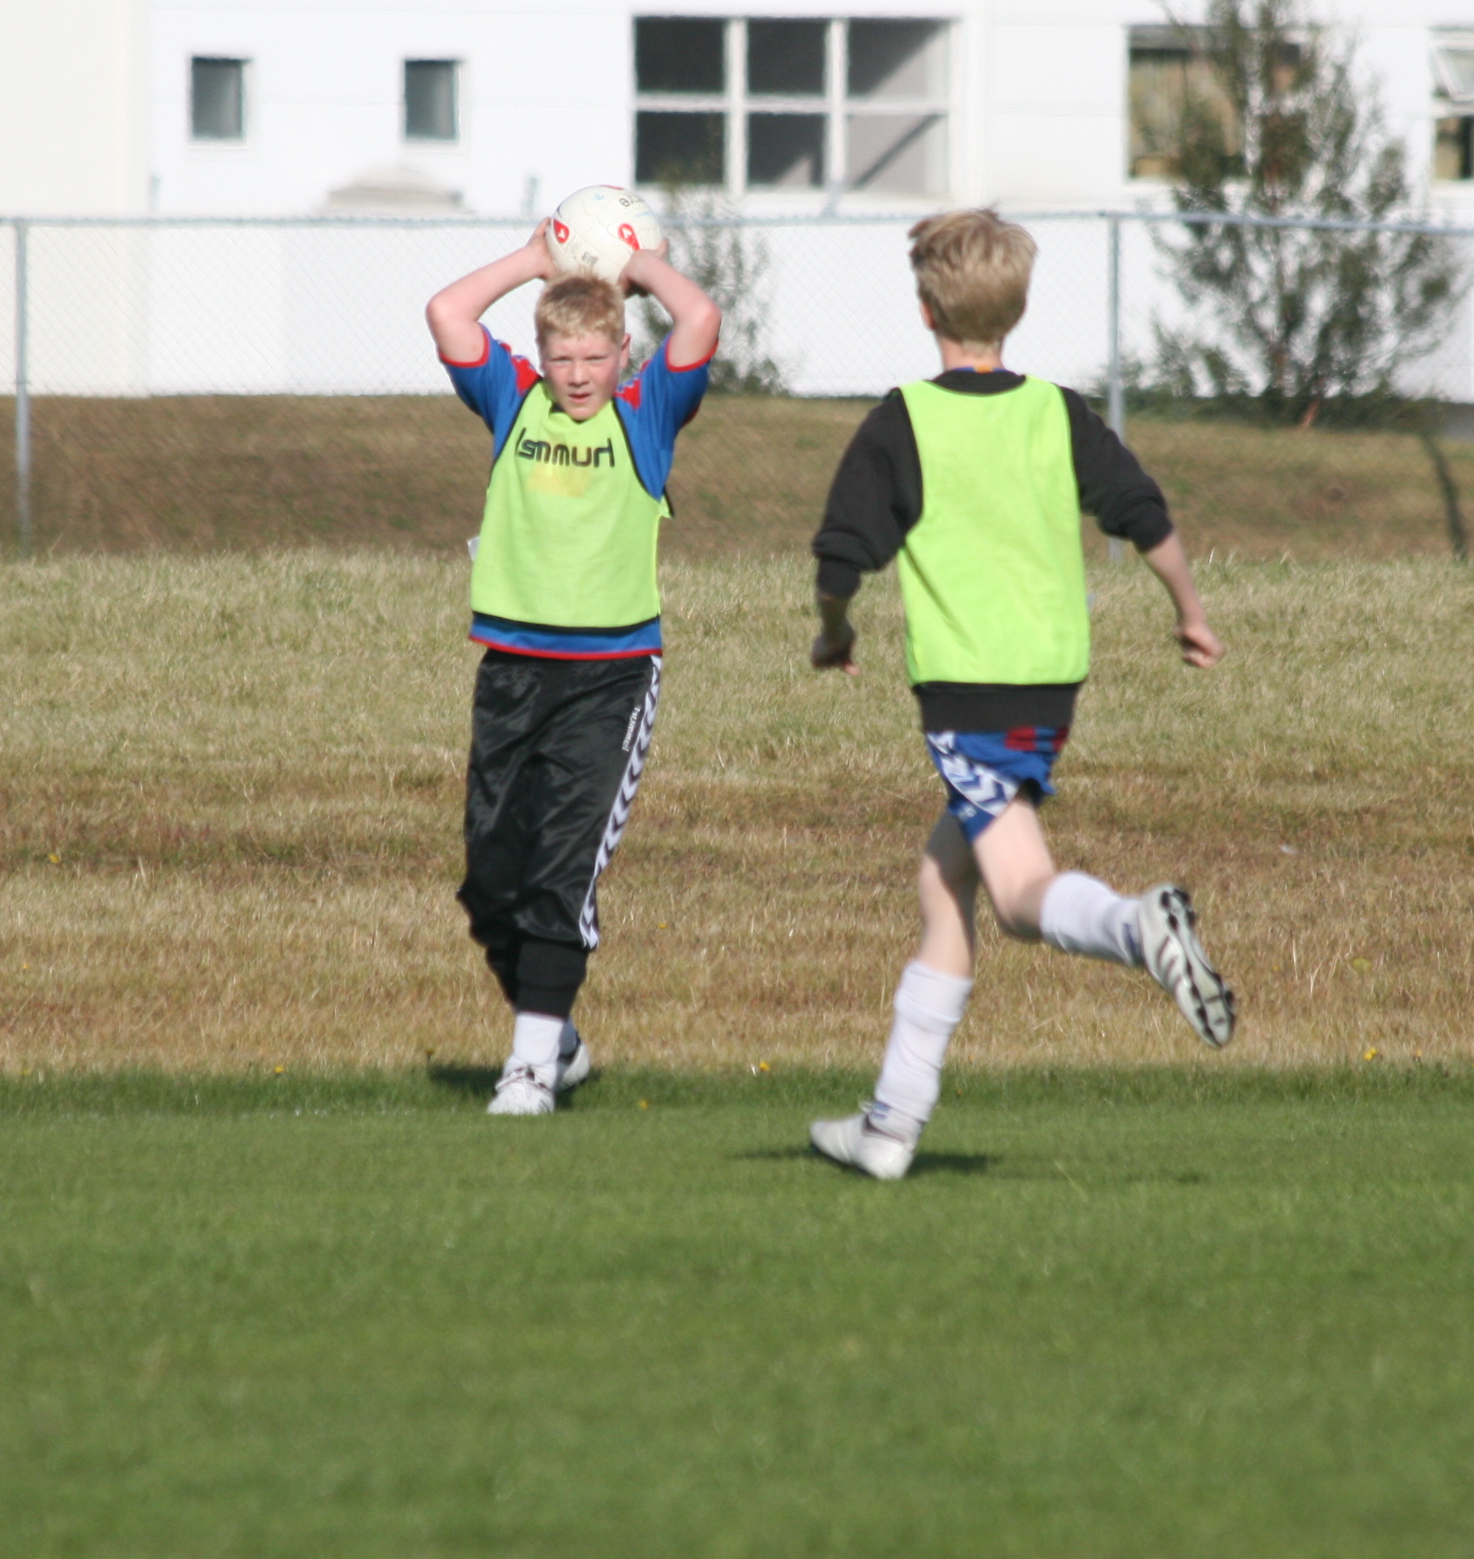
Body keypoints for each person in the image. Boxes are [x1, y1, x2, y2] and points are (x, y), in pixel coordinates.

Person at [804, 207, 1236, 1182]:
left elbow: (842, 556)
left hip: (970, 692)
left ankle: (1138, 927)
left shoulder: (904, 420)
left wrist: (833, 632)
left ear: (925, 312)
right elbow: (1142, 514)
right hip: (1048, 684)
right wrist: (1191, 612)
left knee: (1018, 896)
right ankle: (888, 1126)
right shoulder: (1057, 411)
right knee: (943, 877)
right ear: (1018, 309)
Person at [422, 223, 719, 1115]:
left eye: (595, 357)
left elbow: (700, 318)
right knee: (490, 885)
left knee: (559, 875)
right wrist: (533, 261)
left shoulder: (644, 416)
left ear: (623, 354)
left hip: (609, 678)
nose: (579, 374)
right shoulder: (515, 403)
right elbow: (446, 313)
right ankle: (558, 1040)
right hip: (512, 673)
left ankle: (528, 1073)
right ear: (541, 357)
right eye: (563, 357)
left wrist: (635, 266)